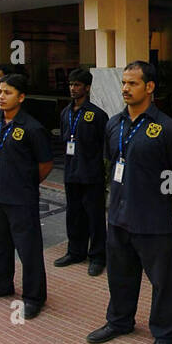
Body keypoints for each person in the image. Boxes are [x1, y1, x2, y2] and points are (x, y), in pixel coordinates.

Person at [88, 61, 172, 344]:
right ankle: (119, 321)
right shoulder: (114, 124)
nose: (124, 88)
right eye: (123, 83)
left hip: (153, 221)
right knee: (120, 275)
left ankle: (166, 333)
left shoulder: (167, 128)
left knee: (162, 281)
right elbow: (112, 163)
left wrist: (164, 206)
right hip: (119, 217)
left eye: (132, 83)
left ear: (149, 87)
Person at [0, 72, 52, 315]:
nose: (2, 97)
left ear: (22, 97)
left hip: (22, 198)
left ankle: (34, 297)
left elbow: (45, 164)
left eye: (8, 93)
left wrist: (25, 183)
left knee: (28, 250)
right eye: (0, 92)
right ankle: (2, 283)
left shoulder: (32, 129)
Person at [54, 71, 106, 272]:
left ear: (87, 87)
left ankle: (98, 257)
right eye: (70, 84)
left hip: (91, 175)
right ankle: (75, 251)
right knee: (74, 215)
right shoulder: (65, 112)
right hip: (71, 173)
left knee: (95, 217)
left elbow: (105, 147)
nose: (73, 88)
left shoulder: (97, 115)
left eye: (77, 85)